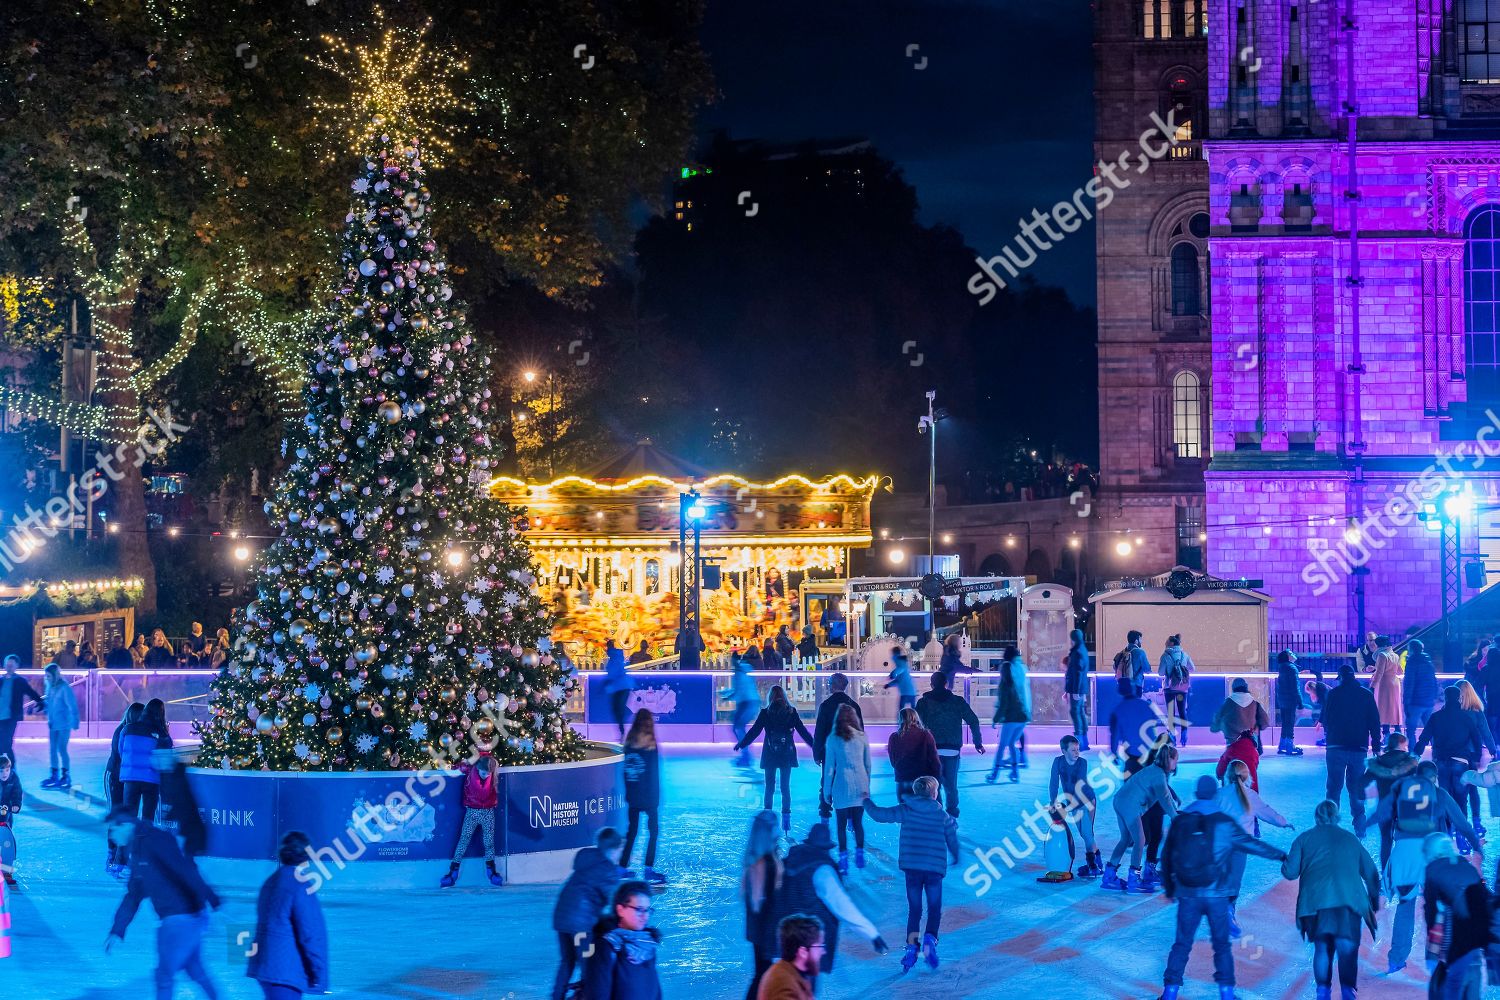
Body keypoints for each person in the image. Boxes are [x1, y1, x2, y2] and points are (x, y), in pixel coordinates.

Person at [1158, 775, 1287, 1000]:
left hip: (1188, 893)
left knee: (1182, 943)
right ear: (1215, 795)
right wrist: (1280, 855)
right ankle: (1227, 994)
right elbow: (1252, 844)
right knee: (1221, 945)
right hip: (1218, 894)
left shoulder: (1180, 820)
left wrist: (1170, 888)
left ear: (1197, 794)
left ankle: (1169, 993)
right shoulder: (1225, 822)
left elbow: (1167, 855)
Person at [1362, 758, 1480, 975]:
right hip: (1432, 855)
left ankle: (1396, 959)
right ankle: (1439, 958)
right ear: (1434, 777)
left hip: (1404, 855)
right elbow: (1463, 824)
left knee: (1406, 905)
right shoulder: (1440, 794)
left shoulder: (1402, 790)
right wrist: (1476, 847)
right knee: (1440, 907)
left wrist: (1363, 824)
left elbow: (1382, 813)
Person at [105, 805, 223, 1000]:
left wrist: (213, 899)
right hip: (181, 916)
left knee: (164, 976)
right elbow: (133, 895)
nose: (112, 837)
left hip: (182, 916)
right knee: (194, 969)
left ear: (125, 825)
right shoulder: (135, 850)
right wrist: (117, 929)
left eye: (113, 830)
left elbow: (184, 869)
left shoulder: (155, 839)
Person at [1280, 800, 1380, 1000]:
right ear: (1337, 817)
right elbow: (1370, 872)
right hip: (1348, 902)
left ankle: (1323, 992)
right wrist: (1373, 899)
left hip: (1315, 903)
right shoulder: (1350, 839)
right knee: (1346, 947)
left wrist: (1284, 861)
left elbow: (1291, 873)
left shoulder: (1304, 839)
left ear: (1317, 817)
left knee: (1322, 947)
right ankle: (1347, 992)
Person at [864, 775, 959, 972]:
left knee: (915, 910)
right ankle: (930, 939)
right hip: (934, 870)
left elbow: (880, 815)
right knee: (934, 908)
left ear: (916, 792)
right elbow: (952, 833)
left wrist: (866, 800)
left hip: (913, 869)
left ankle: (911, 948)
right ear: (935, 793)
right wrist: (955, 854)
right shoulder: (942, 816)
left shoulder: (906, 810)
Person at [768, 823, 885, 981]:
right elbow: (841, 905)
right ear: (826, 847)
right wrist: (871, 933)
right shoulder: (822, 869)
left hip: (783, 938)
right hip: (806, 942)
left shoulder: (789, 860)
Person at [246, 830, 329, 1000]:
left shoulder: (270, 882)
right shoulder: (301, 886)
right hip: (283, 971)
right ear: (306, 856)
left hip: (264, 966)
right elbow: (311, 933)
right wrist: (320, 974)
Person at [1215, 759, 1292, 937]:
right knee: (1234, 881)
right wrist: (1284, 823)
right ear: (1247, 775)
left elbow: (1206, 813)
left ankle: (1221, 912)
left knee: (1222, 878)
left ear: (1227, 775)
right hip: (1241, 845)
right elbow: (1268, 812)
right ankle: (1228, 913)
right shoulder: (1250, 795)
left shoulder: (1219, 794)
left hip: (1220, 843)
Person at [553, 827, 624, 1000]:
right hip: (581, 926)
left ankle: (557, 997)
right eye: (620, 849)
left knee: (567, 962)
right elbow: (613, 901)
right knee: (589, 965)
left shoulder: (587, 858)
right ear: (614, 849)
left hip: (561, 918)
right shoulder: (608, 870)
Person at [735, 685, 815, 831]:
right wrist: (815, 747)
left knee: (769, 787)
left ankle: (767, 819)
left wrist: (742, 743)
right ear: (784, 696)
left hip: (770, 753)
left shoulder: (766, 713)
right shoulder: (791, 712)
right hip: (787, 753)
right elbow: (803, 731)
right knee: (785, 787)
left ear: (770, 697)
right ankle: (786, 821)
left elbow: (755, 731)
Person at [1102, 745, 1179, 893]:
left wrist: (1175, 810)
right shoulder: (1158, 775)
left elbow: (1166, 794)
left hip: (1119, 801)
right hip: (1130, 805)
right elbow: (1164, 799)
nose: (1176, 764)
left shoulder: (1154, 770)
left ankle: (1109, 876)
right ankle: (1134, 879)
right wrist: (1175, 816)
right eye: (1175, 760)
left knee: (1125, 839)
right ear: (1169, 759)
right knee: (1140, 840)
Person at [1422, 832, 1489, 998]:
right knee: (1472, 984)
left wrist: (1434, 952)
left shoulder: (1433, 870)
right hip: (1476, 948)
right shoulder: (1467, 866)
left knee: (1452, 988)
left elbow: (1432, 915)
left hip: (1456, 947)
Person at [914, 671, 985, 818]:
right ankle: (952, 815)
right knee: (951, 786)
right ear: (946, 684)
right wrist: (977, 742)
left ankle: (938, 814)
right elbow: (973, 720)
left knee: (934, 785)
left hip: (932, 750)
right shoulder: (957, 701)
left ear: (931, 684)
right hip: (952, 750)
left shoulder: (923, 703)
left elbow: (916, 726)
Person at [1414, 685, 1487, 827]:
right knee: (1461, 799)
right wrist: (1476, 756)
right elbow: (1476, 737)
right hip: (1461, 761)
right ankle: (1462, 833)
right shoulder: (1465, 717)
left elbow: (1424, 737)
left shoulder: (1436, 717)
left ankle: (1447, 831)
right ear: (1459, 698)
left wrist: (1416, 754)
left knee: (1446, 799)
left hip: (1441, 761)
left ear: (1445, 698)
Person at [1322, 664, 1381, 832]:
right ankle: (1359, 825)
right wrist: (1376, 744)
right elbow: (1374, 721)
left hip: (1335, 746)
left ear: (1340, 678)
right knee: (1356, 787)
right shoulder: (1366, 694)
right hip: (1359, 747)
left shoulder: (1333, 694)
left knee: (1334, 786)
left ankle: (1330, 824)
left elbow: (1326, 718)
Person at [583, 880, 662, 999]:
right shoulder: (606, 946)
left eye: (647, 910)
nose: (645, 916)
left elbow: (655, 992)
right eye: (639, 909)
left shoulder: (648, 944)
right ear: (620, 910)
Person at [438, 747, 503, 888]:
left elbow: (485, 759)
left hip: (487, 812)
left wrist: (482, 755)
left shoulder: (490, 771)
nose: (486, 775)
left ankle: (491, 870)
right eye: (484, 773)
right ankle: (453, 871)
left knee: (489, 842)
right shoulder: (470, 769)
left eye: (488, 773)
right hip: (472, 812)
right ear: (478, 768)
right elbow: (459, 767)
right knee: (463, 840)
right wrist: (450, 766)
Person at [821, 705, 871, 874]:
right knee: (858, 823)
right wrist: (867, 785)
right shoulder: (862, 737)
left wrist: (826, 791)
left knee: (841, 825)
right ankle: (860, 853)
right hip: (860, 784)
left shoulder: (833, 739)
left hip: (841, 785)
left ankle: (843, 859)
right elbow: (868, 765)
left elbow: (829, 769)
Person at [741, 812, 785, 1000]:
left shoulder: (766, 855)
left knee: (763, 973)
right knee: (763, 973)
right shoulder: (760, 863)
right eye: (775, 825)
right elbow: (758, 902)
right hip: (764, 929)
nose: (779, 829)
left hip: (763, 928)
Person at [1360, 731, 1419, 867]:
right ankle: (1403, 873)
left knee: (1386, 840)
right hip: (1405, 807)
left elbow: (1363, 782)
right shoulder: (1411, 761)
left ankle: (1386, 872)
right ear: (1401, 744)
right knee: (1404, 840)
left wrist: (1360, 796)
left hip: (1384, 808)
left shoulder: (1378, 762)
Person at [811, 672, 863, 824]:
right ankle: (851, 818)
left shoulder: (826, 706)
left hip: (830, 752)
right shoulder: (854, 705)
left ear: (832, 685)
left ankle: (825, 816)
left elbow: (820, 731)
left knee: (827, 783)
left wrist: (817, 752)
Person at [621, 710, 665, 885]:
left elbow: (626, 772)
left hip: (633, 796)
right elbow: (653, 775)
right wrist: (655, 799)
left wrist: (629, 793)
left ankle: (622, 867)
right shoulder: (650, 745)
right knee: (653, 832)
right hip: (648, 797)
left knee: (632, 832)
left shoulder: (629, 743)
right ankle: (648, 869)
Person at [120, 698, 173, 829]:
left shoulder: (127, 729)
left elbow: (121, 751)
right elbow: (167, 757)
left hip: (131, 778)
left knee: (129, 819)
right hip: (151, 780)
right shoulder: (160, 733)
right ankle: (143, 846)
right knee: (147, 820)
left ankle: (125, 848)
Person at [1052, 735, 1101, 878]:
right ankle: (1098, 860)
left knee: (1086, 832)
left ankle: (1092, 865)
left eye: (1077, 749)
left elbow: (1078, 786)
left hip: (1086, 800)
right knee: (1085, 834)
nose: (1077, 753)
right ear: (1063, 751)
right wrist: (1053, 801)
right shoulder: (1058, 762)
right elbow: (1054, 782)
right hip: (1072, 803)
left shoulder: (1082, 763)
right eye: (1073, 750)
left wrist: (1066, 809)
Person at [106, 702, 145, 875]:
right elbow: (122, 756)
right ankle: (112, 854)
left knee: (126, 817)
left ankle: (122, 855)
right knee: (118, 816)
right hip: (115, 777)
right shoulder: (123, 731)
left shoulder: (133, 731)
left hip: (126, 779)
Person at [1454, 679, 1496, 841]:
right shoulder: (1477, 712)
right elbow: (1486, 733)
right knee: (1473, 789)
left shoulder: (1453, 711)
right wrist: (1493, 751)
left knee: (1459, 792)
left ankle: (1460, 825)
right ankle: (1477, 821)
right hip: (1472, 755)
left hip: (1456, 755)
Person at [756, 914, 823, 1000]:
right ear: (803, 952)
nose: (823, 952)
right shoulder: (783, 985)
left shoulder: (795, 972)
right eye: (819, 946)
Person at [989, 646, 1030, 784]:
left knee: (1002, 745)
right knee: (1012, 743)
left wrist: (995, 719)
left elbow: (1003, 703)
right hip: (1023, 716)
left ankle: (995, 773)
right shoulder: (1021, 670)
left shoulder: (1006, 685)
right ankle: (1014, 772)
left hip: (1012, 717)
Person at [1109, 679, 1169, 763]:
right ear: (1134, 689)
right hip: (1150, 751)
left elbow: (1115, 735)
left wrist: (1114, 753)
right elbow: (1154, 726)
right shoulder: (1147, 705)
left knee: (1132, 774)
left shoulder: (1117, 711)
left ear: (1119, 690)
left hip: (1133, 753)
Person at [888, 707, 940, 803]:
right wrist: (937, 777)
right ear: (916, 718)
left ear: (900, 719)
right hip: (922, 781)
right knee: (922, 812)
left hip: (902, 779)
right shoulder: (925, 735)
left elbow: (893, 761)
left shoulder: (894, 737)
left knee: (904, 811)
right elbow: (934, 758)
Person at [41, 661, 79, 790]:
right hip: (53, 724)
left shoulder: (64, 688)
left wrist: (75, 721)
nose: (47, 678)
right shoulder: (50, 687)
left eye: (49, 676)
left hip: (64, 724)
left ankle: (66, 776)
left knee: (61, 749)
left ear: (55, 675)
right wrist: (42, 706)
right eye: (46, 676)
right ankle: (54, 775)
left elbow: (72, 705)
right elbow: (49, 704)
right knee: (52, 750)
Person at [722, 652, 763, 768]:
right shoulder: (744, 670)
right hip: (749, 701)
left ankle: (746, 755)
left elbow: (739, 690)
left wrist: (727, 696)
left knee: (738, 727)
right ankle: (745, 754)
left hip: (747, 702)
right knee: (738, 727)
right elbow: (740, 689)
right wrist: (728, 695)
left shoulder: (739, 672)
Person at [0, 655, 42, 766]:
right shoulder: (1, 680)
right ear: (4, 665)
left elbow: (30, 692)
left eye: (11, 665)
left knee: (6, 744)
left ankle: (11, 769)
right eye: (7, 664)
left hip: (11, 717)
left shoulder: (20, 681)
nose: (9, 667)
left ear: (16, 666)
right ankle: (4, 769)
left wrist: (40, 701)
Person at [1210, 677, 1269, 750]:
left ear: (1233, 688)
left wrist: (1215, 728)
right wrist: (1258, 728)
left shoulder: (1228, 702)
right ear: (1246, 687)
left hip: (1232, 740)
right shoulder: (1254, 703)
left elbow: (1218, 716)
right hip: (1251, 738)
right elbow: (1265, 721)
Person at [1159, 634, 1194, 746]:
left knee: (1171, 713)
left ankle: (1172, 738)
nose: (1165, 643)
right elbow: (1192, 668)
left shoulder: (1165, 656)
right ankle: (1184, 734)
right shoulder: (1184, 655)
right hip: (1182, 688)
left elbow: (1160, 673)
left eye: (1167, 642)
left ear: (1172, 643)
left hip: (1169, 688)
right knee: (1182, 710)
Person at [1404, 638, 1440, 742]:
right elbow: (1434, 681)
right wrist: (1434, 697)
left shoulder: (1412, 663)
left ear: (1410, 649)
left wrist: (1406, 703)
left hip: (1415, 702)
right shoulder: (1428, 663)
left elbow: (1409, 684)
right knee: (1430, 730)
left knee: (1411, 731)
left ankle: (1413, 755)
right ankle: (1436, 753)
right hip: (1428, 702)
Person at [1273, 650, 1306, 755]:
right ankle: (1289, 746)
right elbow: (1295, 687)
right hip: (1290, 699)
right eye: (1291, 653)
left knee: (1285, 722)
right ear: (1287, 656)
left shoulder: (1282, 667)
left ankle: (1282, 745)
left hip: (1282, 699)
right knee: (1290, 722)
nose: (1294, 654)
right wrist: (1300, 703)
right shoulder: (1292, 668)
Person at [1370, 636, 1404, 739]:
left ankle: (1386, 736)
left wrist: (1372, 686)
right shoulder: (1395, 655)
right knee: (1395, 709)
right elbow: (1400, 671)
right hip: (1395, 684)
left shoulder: (1382, 655)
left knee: (1384, 710)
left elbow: (1380, 673)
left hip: (1384, 684)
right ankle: (1398, 734)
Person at [1063, 628, 1090, 750]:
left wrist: (1076, 691)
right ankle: (1084, 741)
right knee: (1080, 712)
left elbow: (1077, 673)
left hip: (1077, 689)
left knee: (1075, 712)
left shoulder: (1077, 652)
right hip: (1080, 688)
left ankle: (1080, 742)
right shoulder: (1082, 650)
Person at [602, 640, 633, 740]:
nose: (607, 649)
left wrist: (608, 682)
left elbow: (615, 673)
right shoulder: (614, 658)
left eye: (609, 646)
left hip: (622, 687)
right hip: (619, 687)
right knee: (617, 710)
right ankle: (622, 733)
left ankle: (623, 733)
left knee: (618, 710)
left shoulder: (615, 657)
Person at [1111, 629, 1152, 697]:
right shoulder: (1140, 652)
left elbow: (1115, 666)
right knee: (1136, 706)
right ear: (1136, 641)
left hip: (1124, 685)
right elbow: (1147, 670)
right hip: (1136, 685)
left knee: (1127, 706)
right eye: (1140, 639)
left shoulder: (1122, 652)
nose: (1141, 642)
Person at [0, 756, 21, 886]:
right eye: (1, 771)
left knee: (7, 845)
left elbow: (17, 793)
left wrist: (16, 804)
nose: (4, 774)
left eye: (6, 770)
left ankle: (7, 871)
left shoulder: (13, 779)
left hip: (6, 819)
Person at [885, 645, 917, 713]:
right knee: (913, 710)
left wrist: (892, 675)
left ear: (895, 653)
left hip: (906, 692)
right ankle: (914, 721)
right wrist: (889, 685)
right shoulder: (902, 662)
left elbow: (900, 670)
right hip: (910, 691)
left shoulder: (900, 662)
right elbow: (899, 680)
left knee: (901, 710)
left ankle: (901, 722)